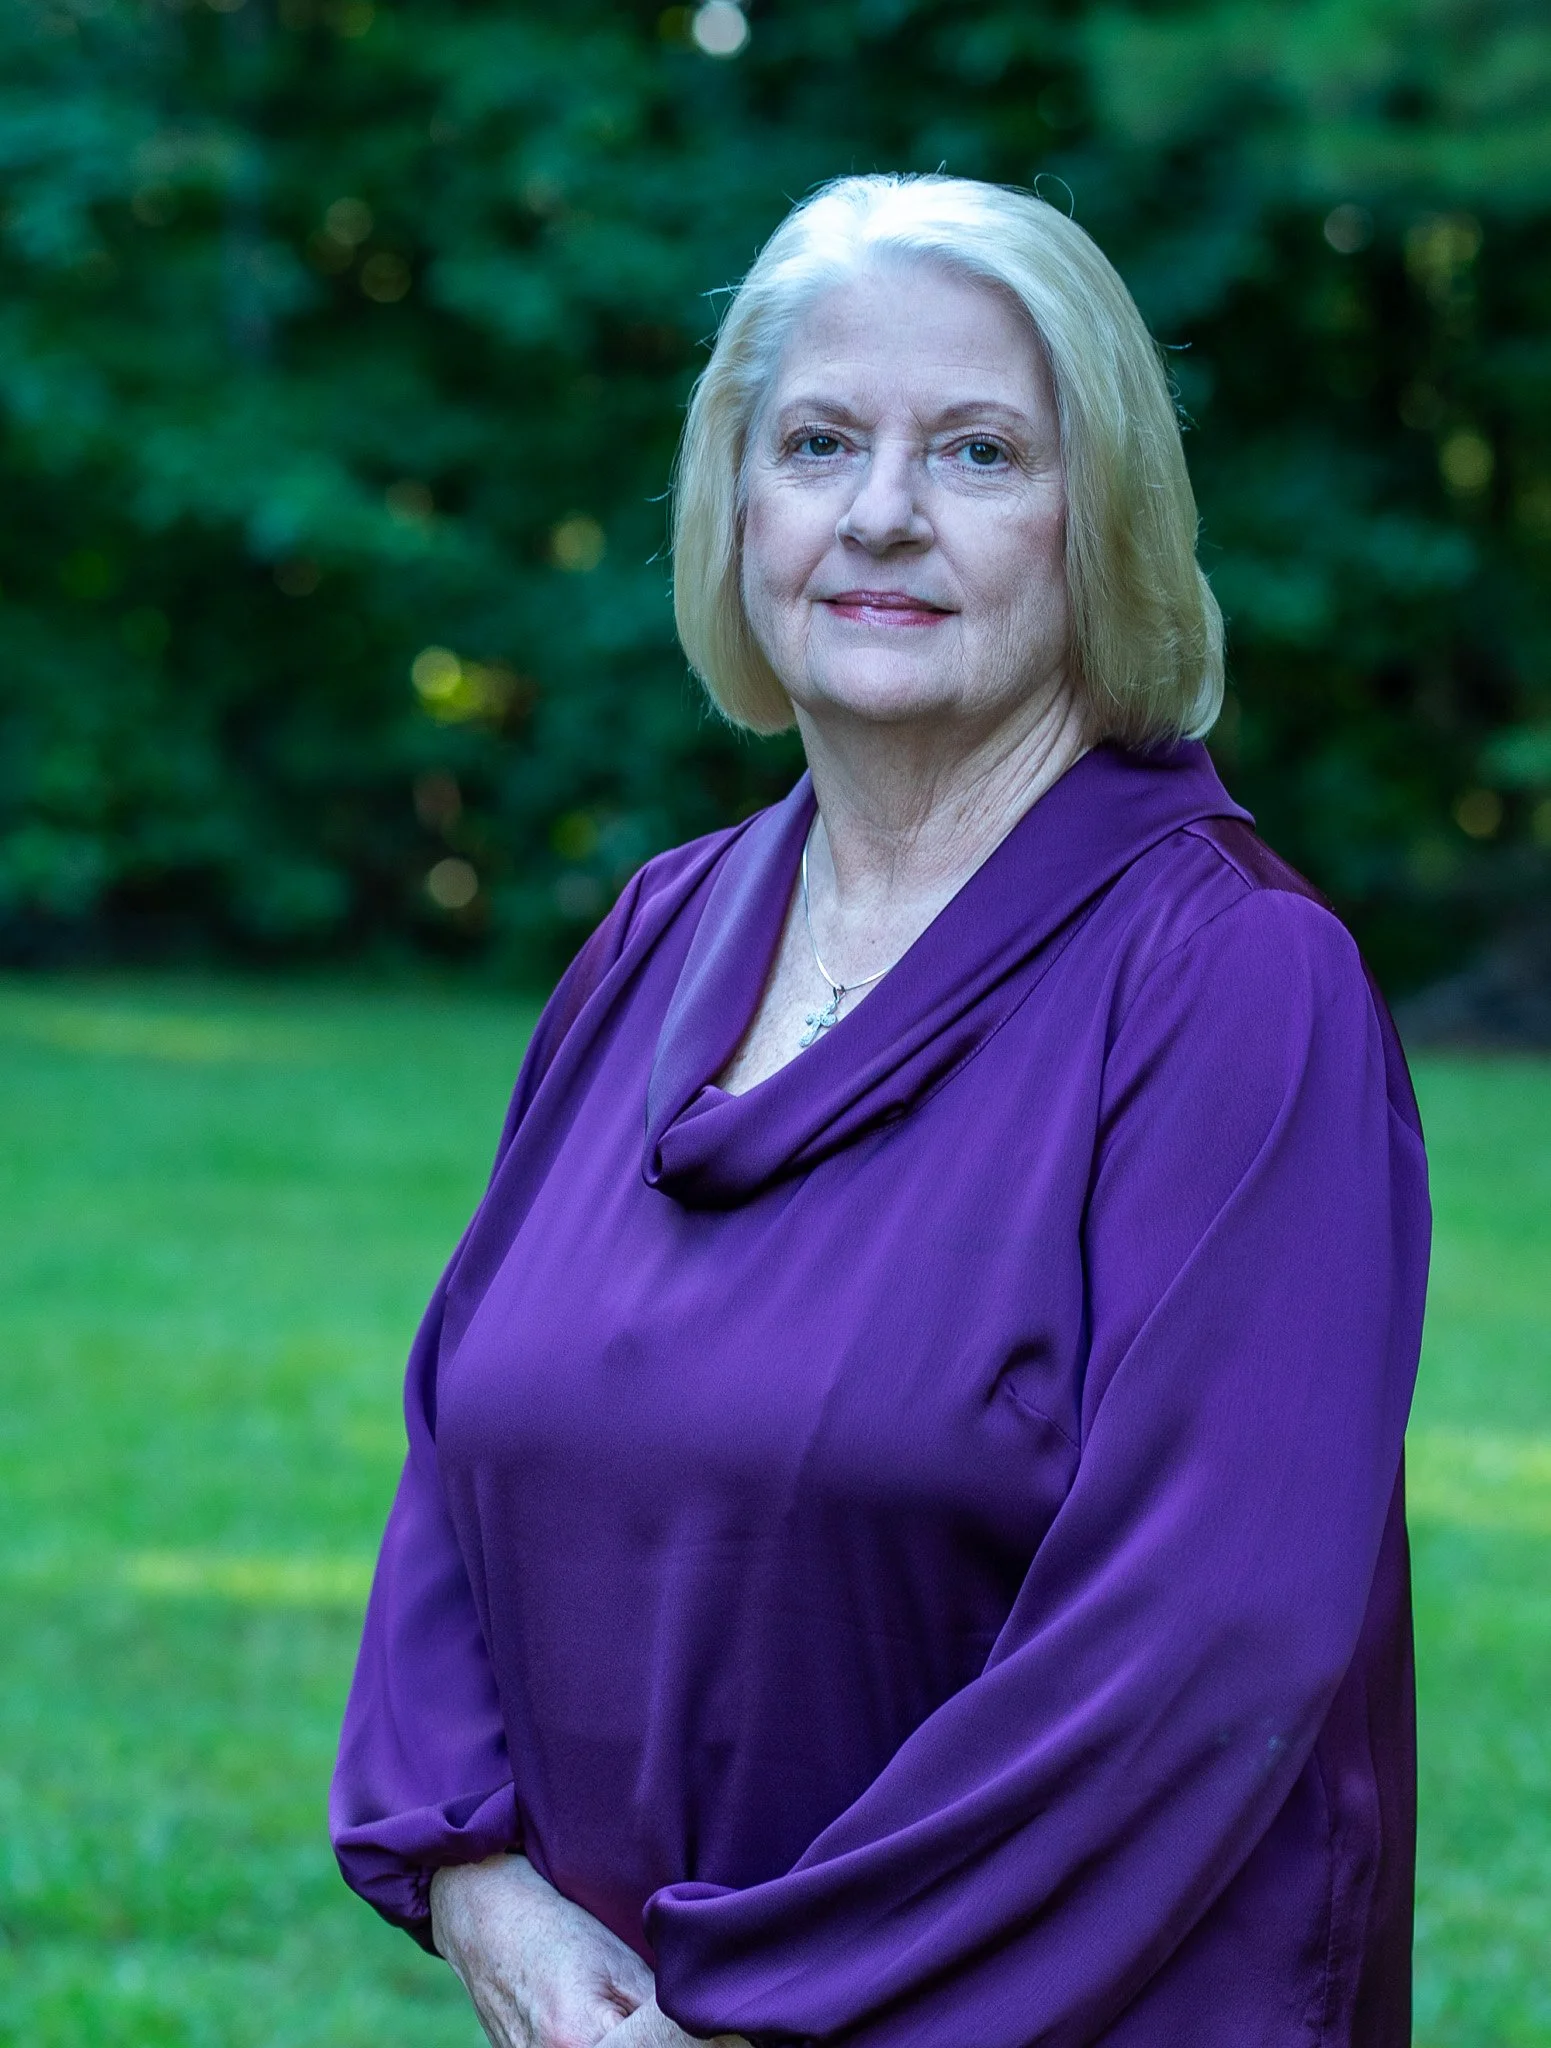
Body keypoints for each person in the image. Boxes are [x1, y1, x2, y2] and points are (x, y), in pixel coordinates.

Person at [330, 173, 1429, 2048]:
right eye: (820, 441)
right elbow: (462, 1428)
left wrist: (759, 2002)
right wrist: (479, 1876)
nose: (884, 516)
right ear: (735, 501)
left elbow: (1197, 1651)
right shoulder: (661, 934)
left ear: (1106, 524)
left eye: (982, 451)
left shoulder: (1236, 983)